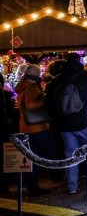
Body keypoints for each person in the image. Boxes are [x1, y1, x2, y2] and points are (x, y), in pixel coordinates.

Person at [45, 54, 87, 194]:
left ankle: (72, 186)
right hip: (83, 121)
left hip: (63, 124)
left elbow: (49, 104)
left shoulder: (55, 81)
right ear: (79, 61)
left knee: (70, 155)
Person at [14, 64, 57, 196]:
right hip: (37, 127)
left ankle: (32, 184)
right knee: (48, 152)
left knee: (34, 155)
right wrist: (45, 100)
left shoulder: (23, 86)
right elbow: (31, 105)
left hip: (26, 126)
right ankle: (32, 180)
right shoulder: (32, 87)